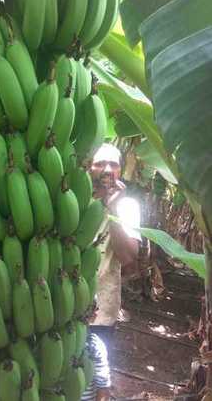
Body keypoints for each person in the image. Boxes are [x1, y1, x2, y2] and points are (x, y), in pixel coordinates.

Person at [83, 143, 142, 400]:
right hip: (60, 306)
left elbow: (128, 256)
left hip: (101, 311)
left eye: (114, 164)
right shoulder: (71, 199)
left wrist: (113, 209)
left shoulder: (128, 207)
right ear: (88, 166)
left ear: (121, 170)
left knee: (95, 378)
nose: (107, 169)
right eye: (100, 163)